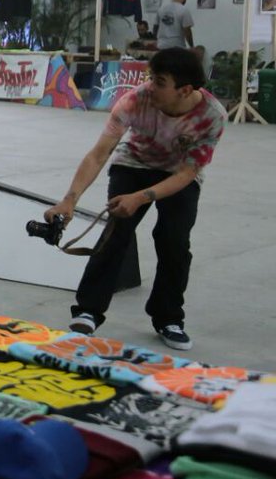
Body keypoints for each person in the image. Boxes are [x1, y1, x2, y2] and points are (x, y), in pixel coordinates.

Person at [43, 48, 226, 351]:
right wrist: (69, 200)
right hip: (133, 164)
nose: (150, 86)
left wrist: (141, 198)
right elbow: (99, 153)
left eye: (160, 81)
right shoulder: (134, 100)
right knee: (116, 234)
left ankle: (168, 318)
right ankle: (88, 310)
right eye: (151, 77)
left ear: (185, 90)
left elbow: (186, 174)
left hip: (178, 174)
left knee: (174, 242)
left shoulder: (211, 116)